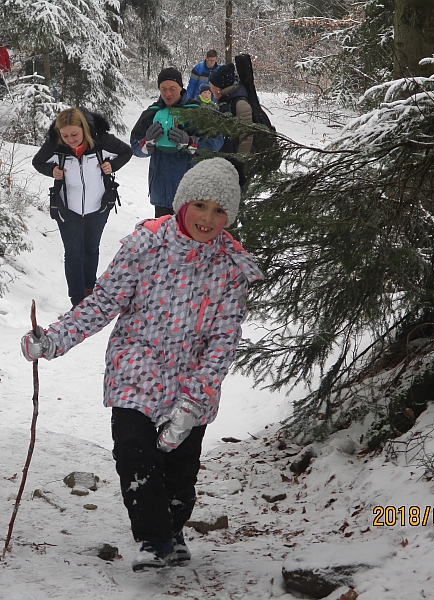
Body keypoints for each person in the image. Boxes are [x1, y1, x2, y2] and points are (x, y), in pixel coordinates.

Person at [20, 157, 263, 572]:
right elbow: (103, 301)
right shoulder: (145, 244)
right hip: (137, 364)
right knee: (135, 452)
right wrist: (53, 339)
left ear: (230, 216)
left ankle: (174, 526)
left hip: (193, 380)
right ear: (183, 202)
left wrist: (192, 403)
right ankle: (154, 539)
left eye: (220, 210)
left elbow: (223, 341)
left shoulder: (231, 267)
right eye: (201, 205)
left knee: (180, 469)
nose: (208, 218)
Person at [32, 108, 132, 308]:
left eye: (74, 134)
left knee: (91, 249)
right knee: (73, 253)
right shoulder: (55, 145)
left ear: (84, 129)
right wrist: (52, 170)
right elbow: (37, 162)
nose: (70, 139)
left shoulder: (101, 140)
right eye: (65, 135)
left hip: (99, 205)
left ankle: (89, 288)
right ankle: (77, 299)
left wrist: (112, 166)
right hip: (67, 209)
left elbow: (126, 152)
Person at [130, 67, 223, 217]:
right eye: (163, 89)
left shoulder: (196, 111)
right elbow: (135, 146)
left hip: (192, 193)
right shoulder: (152, 112)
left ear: (181, 87)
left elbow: (216, 142)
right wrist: (146, 143)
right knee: (165, 238)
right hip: (162, 193)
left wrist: (190, 142)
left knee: (189, 239)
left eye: (172, 88)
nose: (168, 93)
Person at [209, 63, 254, 154]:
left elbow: (247, 136)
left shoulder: (240, 104)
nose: (210, 89)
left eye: (211, 87)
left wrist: (240, 161)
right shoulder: (225, 99)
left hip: (236, 159)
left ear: (218, 88)